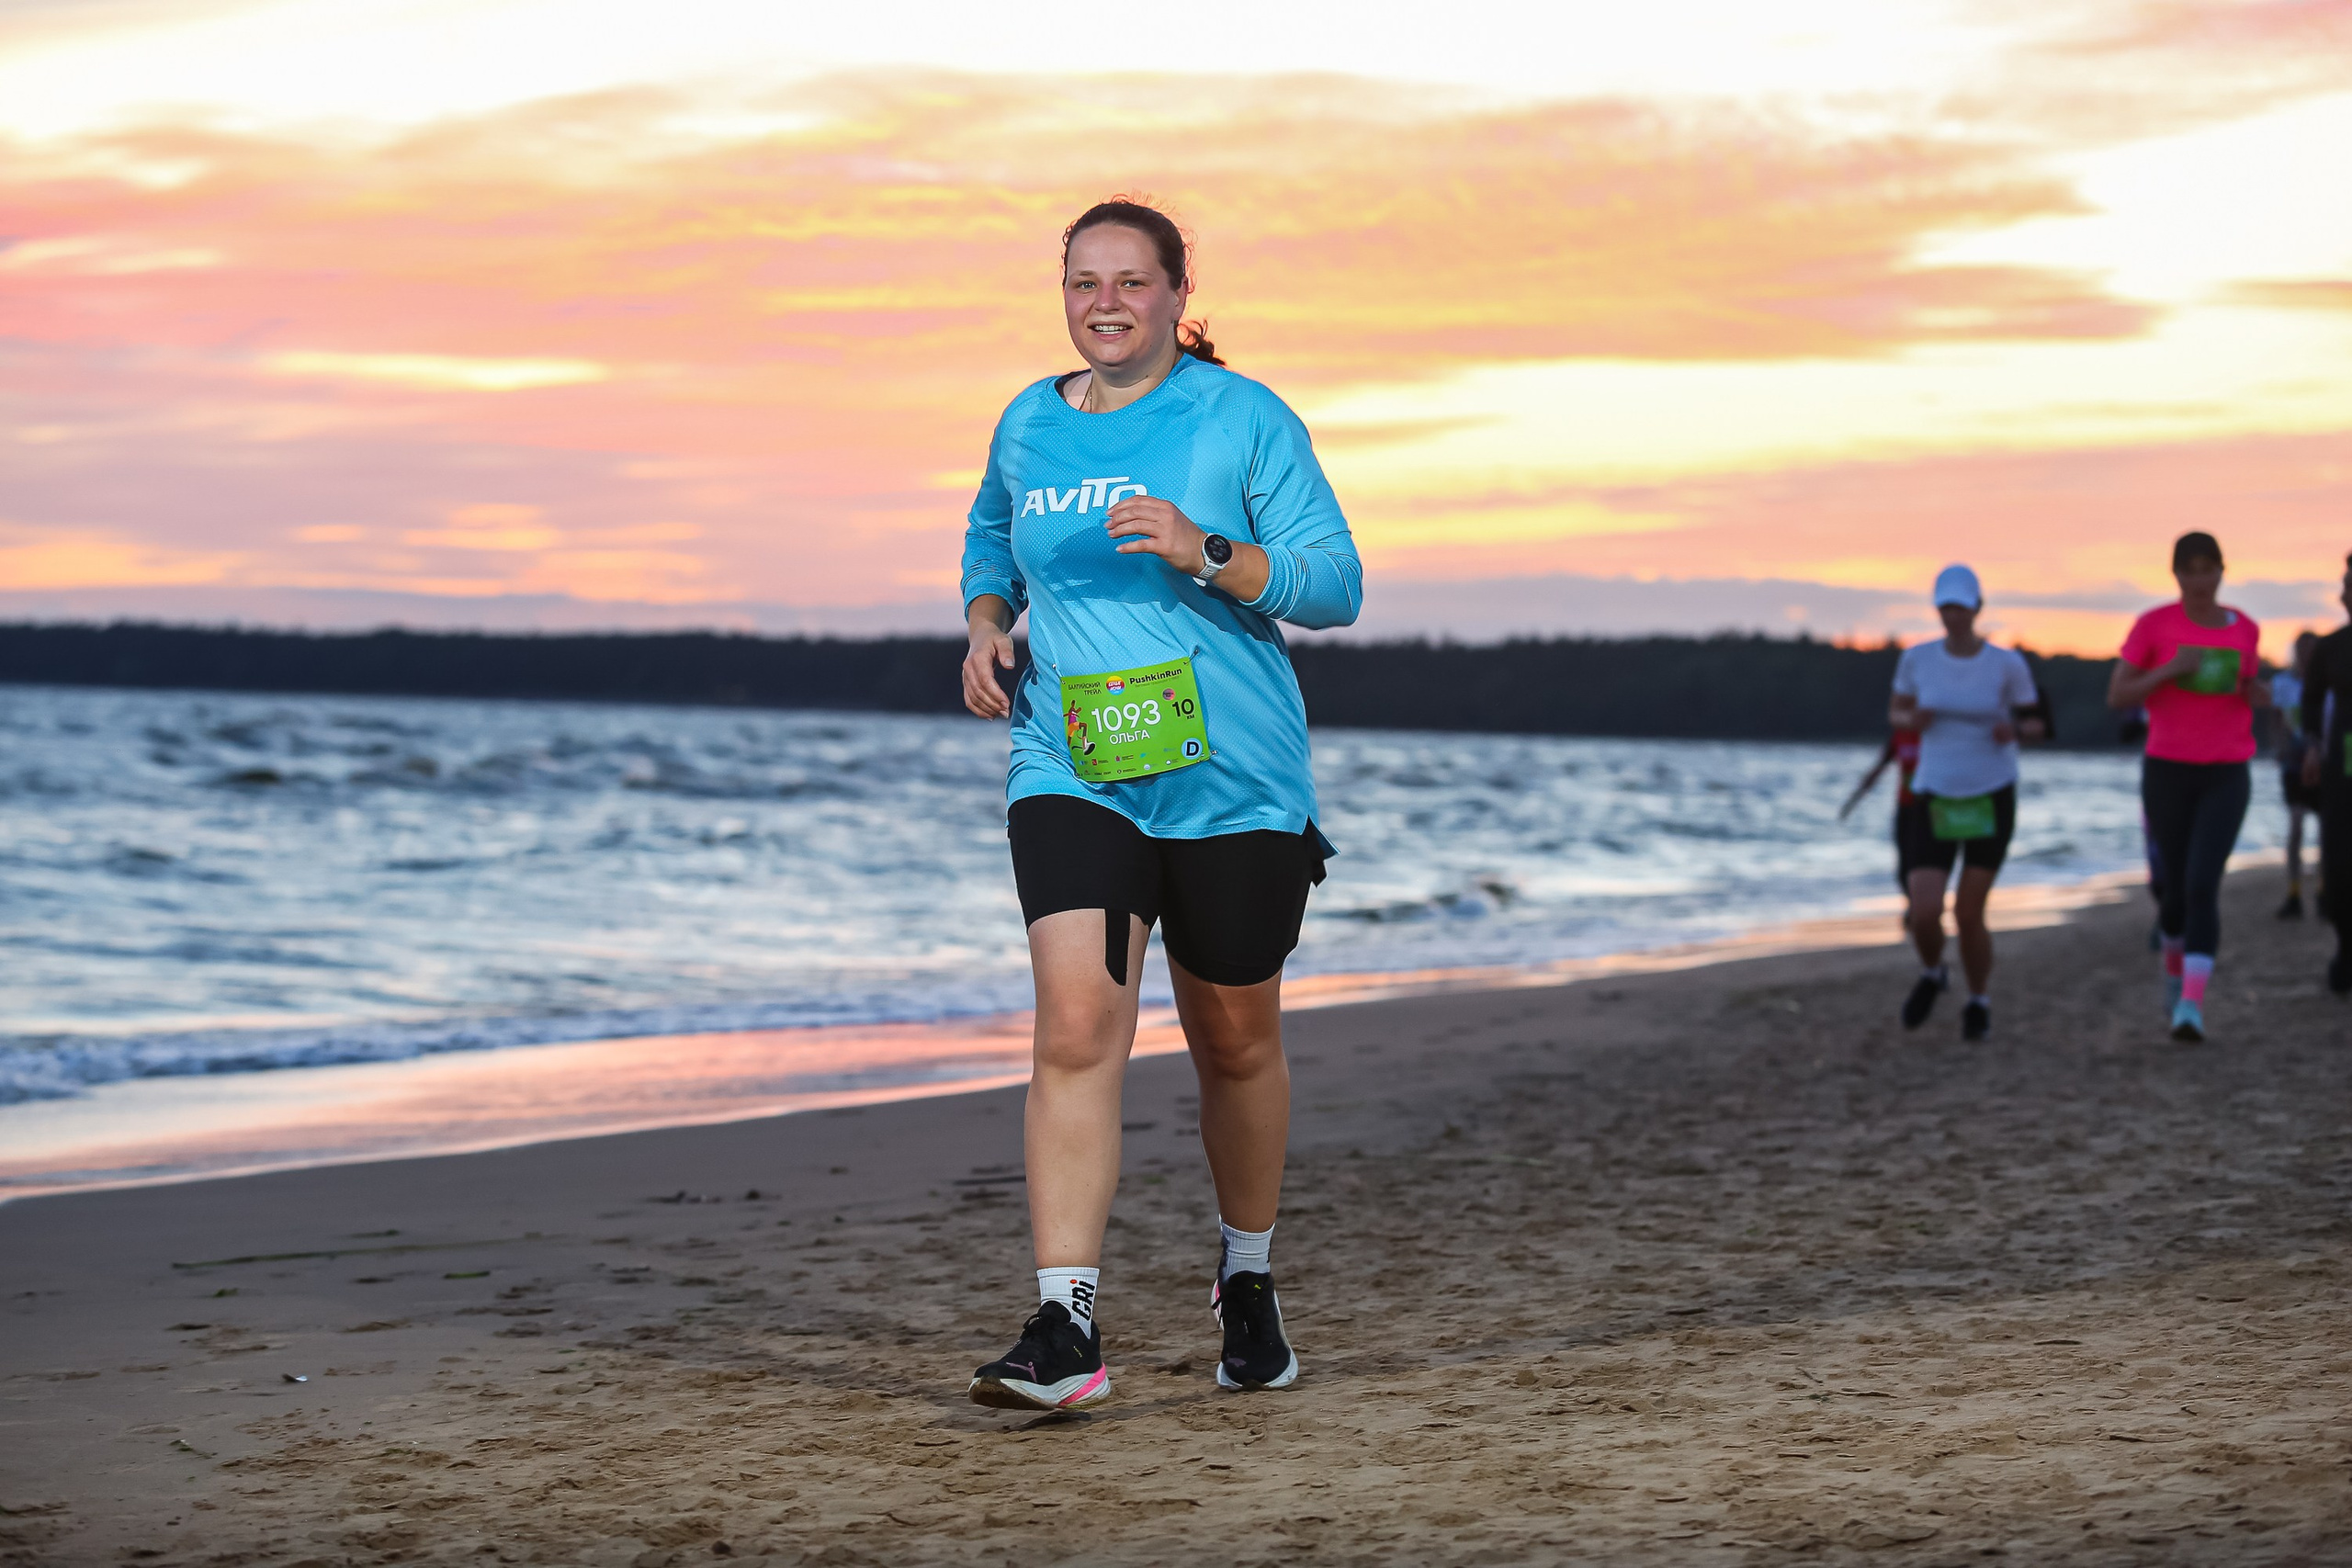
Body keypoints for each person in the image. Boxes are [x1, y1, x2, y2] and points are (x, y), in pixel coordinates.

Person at [957, 197, 1363, 1410]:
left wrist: (1208, 551)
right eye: (1085, 282)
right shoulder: (1030, 422)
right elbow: (990, 533)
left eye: (1132, 282)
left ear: (1180, 294)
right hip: (1074, 763)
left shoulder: (1242, 417)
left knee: (1234, 1039)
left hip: (1233, 778)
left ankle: (1246, 1278)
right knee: (1077, 1021)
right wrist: (986, 623)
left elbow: (1334, 581)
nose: (1106, 303)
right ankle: (1065, 1322)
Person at [2107, 531, 2269, 1043]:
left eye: (2209, 568)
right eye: (2189, 568)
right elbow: (2118, 695)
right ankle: (2173, 974)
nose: (2200, 579)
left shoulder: (2246, 628)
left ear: (2222, 571)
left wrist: (2256, 693)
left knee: (2203, 885)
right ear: (2175, 574)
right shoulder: (2154, 626)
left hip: (2226, 770)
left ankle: (2191, 1008)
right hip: (2167, 770)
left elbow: (2245, 688)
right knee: (2172, 892)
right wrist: (2169, 671)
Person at [1889, 565, 2044, 1041]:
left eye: (1961, 606)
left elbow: (2038, 723)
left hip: (1991, 793)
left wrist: (2014, 731)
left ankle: (1979, 999)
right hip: (1934, 792)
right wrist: (1914, 717)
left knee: (1969, 913)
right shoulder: (1917, 660)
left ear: (1977, 608)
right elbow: (1895, 712)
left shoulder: (2006, 665)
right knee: (1924, 909)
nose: (1953, 615)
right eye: (1945, 607)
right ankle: (1934, 971)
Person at [2299, 556, 2352, 994]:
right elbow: (2311, 701)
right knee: (2339, 859)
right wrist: (2313, 745)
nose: (2342, 594)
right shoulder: (2331, 648)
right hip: (2343, 766)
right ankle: (2345, 948)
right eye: (2344, 585)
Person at [2272, 630, 2321, 919]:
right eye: (2302, 650)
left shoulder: (2329, 682)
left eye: (2312, 650)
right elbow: (2276, 721)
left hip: (2326, 764)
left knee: (2329, 830)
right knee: (2296, 826)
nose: (2306, 656)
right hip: (2293, 764)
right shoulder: (2283, 683)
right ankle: (2294, 893)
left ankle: (2325, 891)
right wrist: (2280, 750)